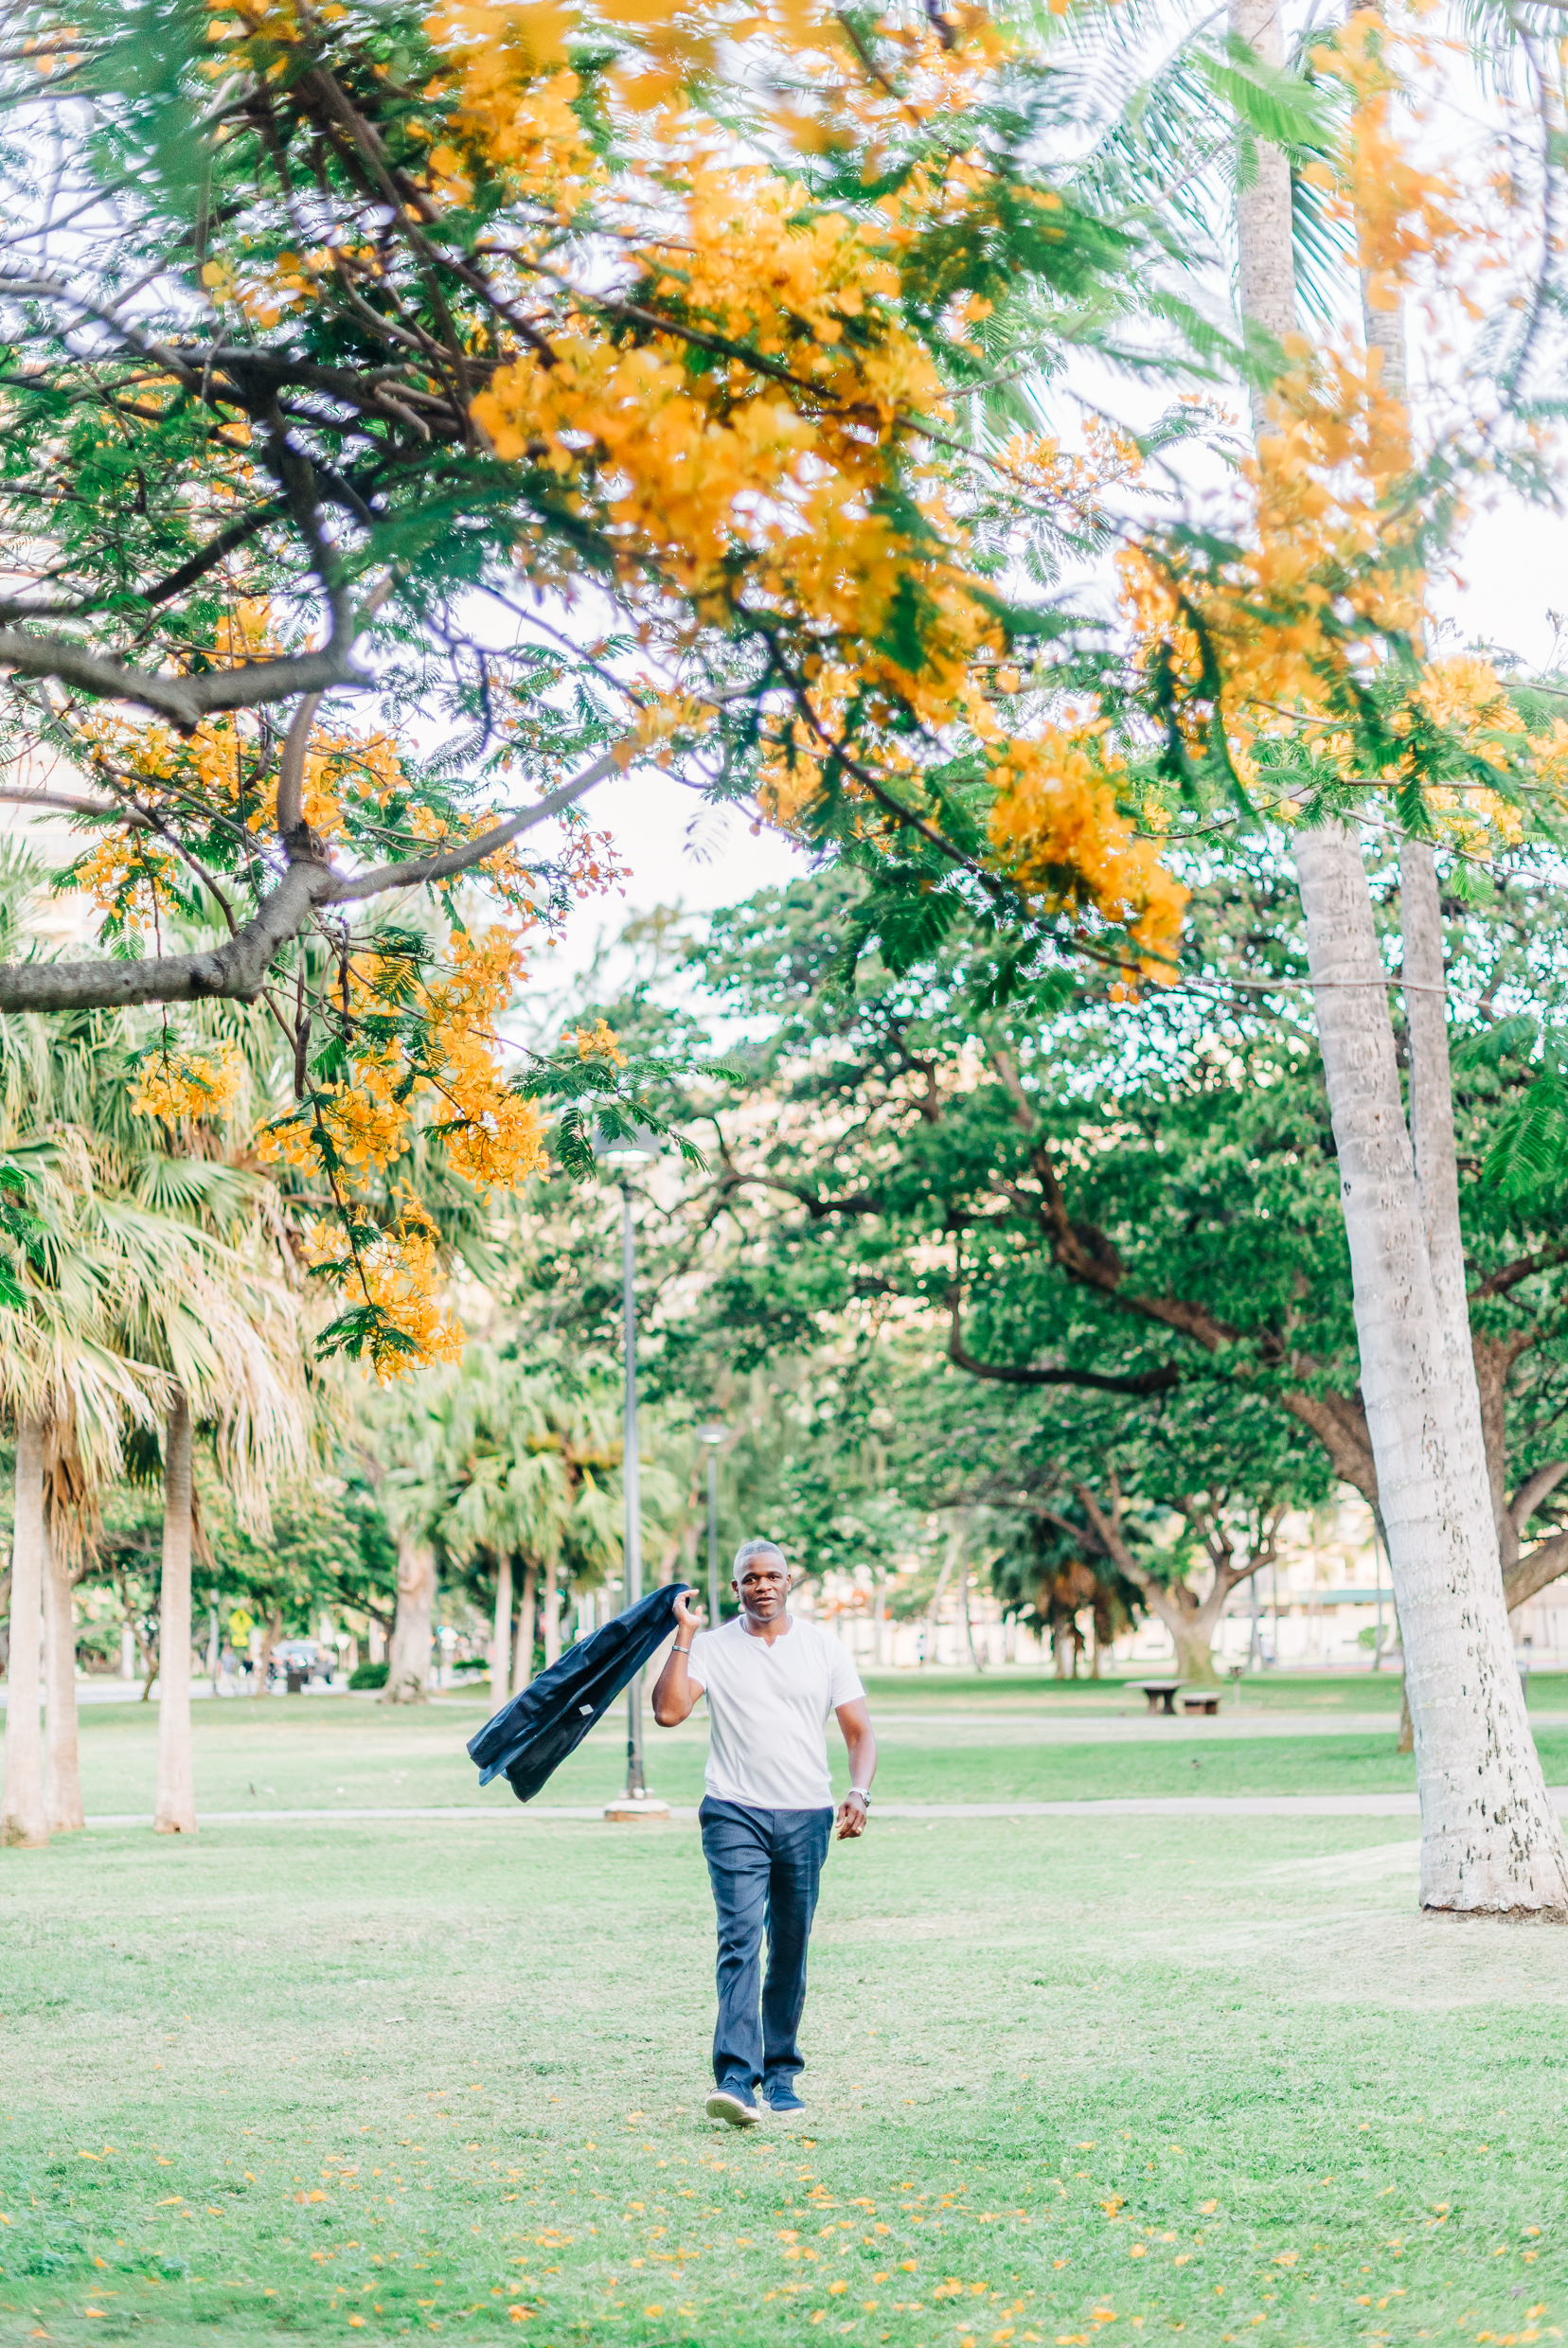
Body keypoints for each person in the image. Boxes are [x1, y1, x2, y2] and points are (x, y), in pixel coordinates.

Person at [651, 1537, 878, 2128]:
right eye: (750, 1578)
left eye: (772, 1575)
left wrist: (859, 1790)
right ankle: (734, 2077)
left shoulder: (824, 1648)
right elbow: (670, 1712)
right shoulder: (713, 1647)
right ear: (736, 1589)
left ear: (788, 1581)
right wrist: (684, 1636)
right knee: (740, 1939)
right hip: (734, 1811)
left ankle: (779, 2076)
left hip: (806, 1815)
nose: (763, 1586)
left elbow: (859, 1732)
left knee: (791, 1948)